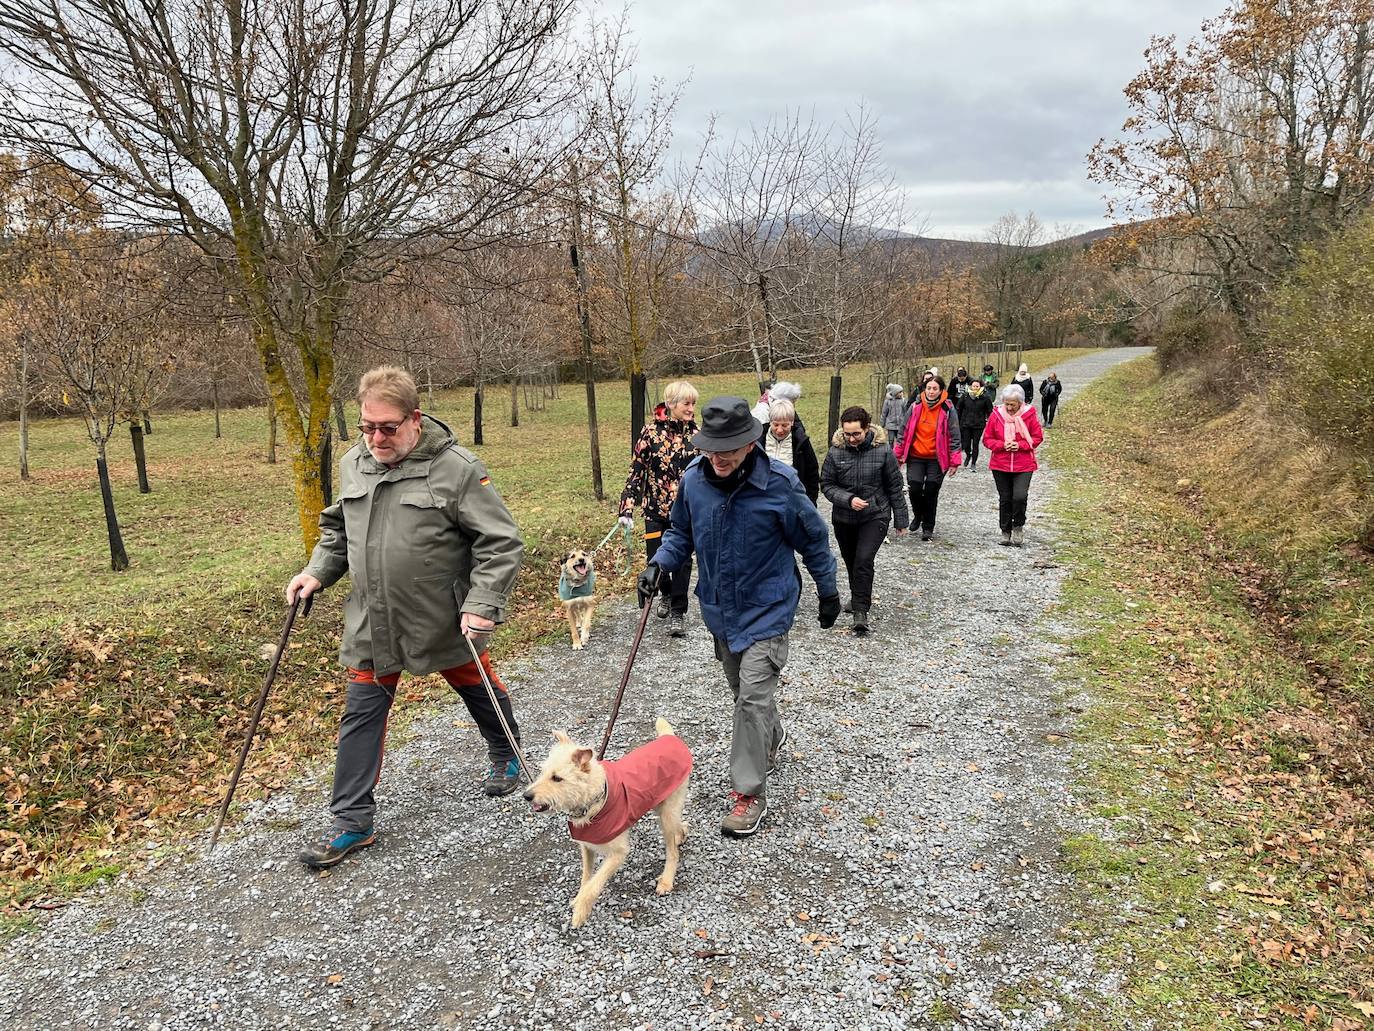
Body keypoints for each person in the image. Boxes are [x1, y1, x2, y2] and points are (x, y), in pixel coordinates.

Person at [286, 366, 525, 869]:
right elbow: (337, 529)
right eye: (366, 426)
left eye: (387, 427)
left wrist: (483, 605)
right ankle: (352, 822)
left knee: (472, 682)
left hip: (443, 616)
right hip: (374, 618)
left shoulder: (457, 469)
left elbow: (500, 542)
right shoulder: (355, 463)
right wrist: (316, 572)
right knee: (361, 710)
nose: (376, 438)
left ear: (414, 419)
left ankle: (505, 752)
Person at [637, 396, 839, 838]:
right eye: (712, 447)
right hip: (719, 611)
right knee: (745, 693)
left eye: (728, 447)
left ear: (750, 442)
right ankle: (772, 735)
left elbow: (814, 540)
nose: (719, 457)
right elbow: (679, 532)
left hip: (768, 608)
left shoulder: (780, 485)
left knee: (750, 699)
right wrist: (660, 564)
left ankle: (748, 793)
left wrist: (828, 591)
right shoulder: (694, 481)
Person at [619, 381, 699, 638]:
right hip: (655, 511)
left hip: (686, 514)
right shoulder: (650, 434)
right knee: (657, 559)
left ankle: (678, 611)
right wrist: (626, 508)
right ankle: (664, 594)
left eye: (693, 403)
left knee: (683, 562)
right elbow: (636, 473)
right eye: (687, 403)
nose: (691, 409)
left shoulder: (698, 434)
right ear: (672, 404)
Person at [820, 406, 909, 635]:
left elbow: (894, 486)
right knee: (851, 561)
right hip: (844, 517)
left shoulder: (883, 451)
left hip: (875, 515)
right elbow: (827, 485)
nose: (851, 438)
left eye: (856, 434)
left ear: (866, 428)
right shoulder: (835, 452)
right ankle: (856, 595)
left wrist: (901, 519)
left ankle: (861, 610)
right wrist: (848, 499)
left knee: (863, 560)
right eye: (847, 433)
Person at [893, 375, 962, 541]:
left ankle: (928, 527)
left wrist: (955, 461)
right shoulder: (916, 406)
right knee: (915, 488)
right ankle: (918, 515)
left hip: (937, 458)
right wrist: (898, 455)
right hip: (916, 456)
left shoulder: (947, 408)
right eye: (929, 388)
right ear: (925, 389)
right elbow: (903, 431)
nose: (931, 392)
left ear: (940, 391)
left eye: (935, 389)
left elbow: (954, 435)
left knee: (931, 491)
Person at [982, 384, 1044, 547]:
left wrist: (1020, 445)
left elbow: (1037, 437)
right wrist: (1002, 444)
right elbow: (987, 439)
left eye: (1013, 405)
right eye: (1007, 404)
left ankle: (1018, 525)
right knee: (1005, 498)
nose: (1009, 408)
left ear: (1020, 403)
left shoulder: (1029, 415)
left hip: (1024, 464)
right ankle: (1005, 530)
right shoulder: (996, 415)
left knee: (1019, 496)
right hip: (1000, 463)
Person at [757, 398, 820, 504]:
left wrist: (810, 502)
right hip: (763, 499)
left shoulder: (801, 441)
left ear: (792, 422)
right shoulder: (758, 440)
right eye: (776, 425)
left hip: (792, 499)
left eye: (785, 425)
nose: (780, 430)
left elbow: (812, 473)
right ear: (770, 421)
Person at [956, 379, 994, 470]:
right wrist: (958, 420)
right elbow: (958, 408)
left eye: (977, 386)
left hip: (979, 424)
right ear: (970, 386)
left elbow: (990, 411)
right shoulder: (965, 396)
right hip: (966, 424)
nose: (975, 388)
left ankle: (973, 463)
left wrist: (991, 422)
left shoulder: (985, 397)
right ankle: (968, 455)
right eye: (974, 386)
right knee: (966, 444)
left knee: (976, 444)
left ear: (980, 387)